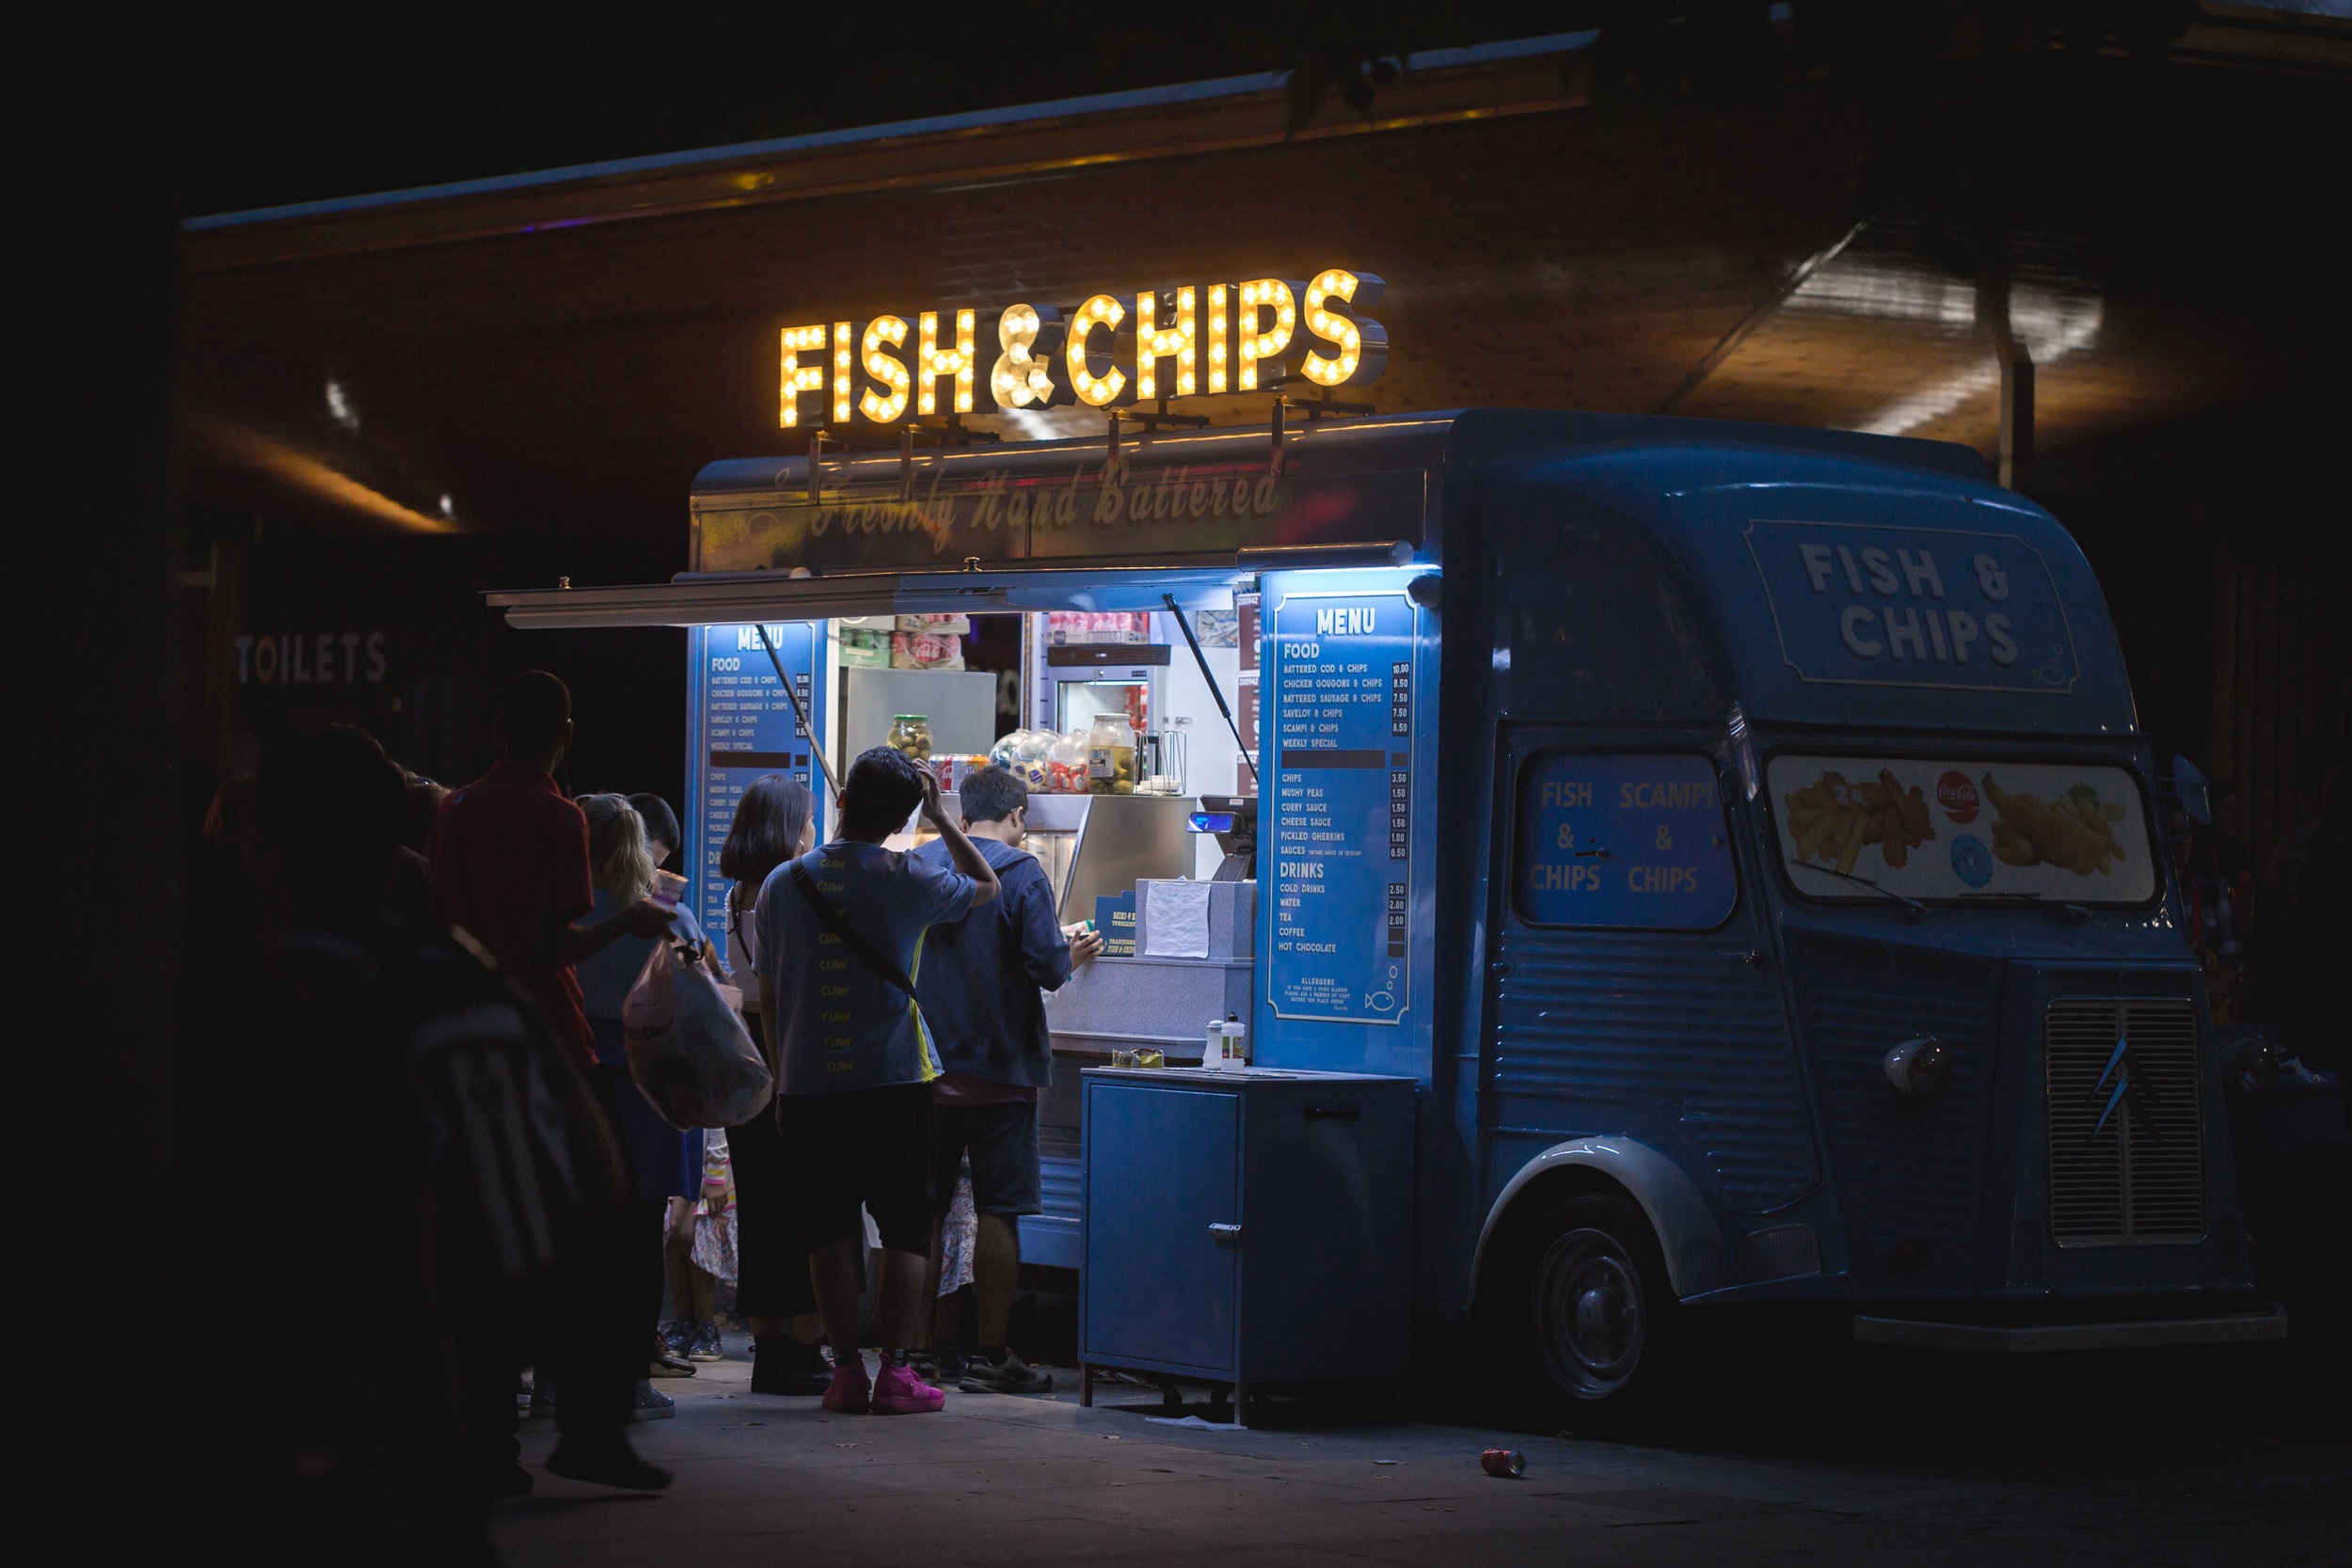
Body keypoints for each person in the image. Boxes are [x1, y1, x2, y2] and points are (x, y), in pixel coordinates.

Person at [427, 671, 677, 1491]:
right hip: (547, 1040)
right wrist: (628, 923)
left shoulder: (456, 810)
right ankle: (590, 1428)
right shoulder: (557, 815)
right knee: (598, 1233)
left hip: (462, 1037)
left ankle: (490, 1441)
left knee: (477, 1243)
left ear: (496, 727)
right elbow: (551, 944)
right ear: (564, 733)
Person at [755, 747, 1000, 1415]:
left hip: (807, 1085)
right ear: (903, 817)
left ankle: (844, 1372)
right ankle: (896, 1371)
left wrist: (782, 1080)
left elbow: (769, 997)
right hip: (894, 1080)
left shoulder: (783, 883)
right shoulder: (909, 876)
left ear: (840, 801)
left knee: (827, 1229)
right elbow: (986, 887)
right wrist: (945, 819)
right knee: (904, 1227)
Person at [914, 767, 1102, 1393]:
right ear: (1019, 815)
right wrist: (1070, 952)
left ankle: (918, 1350)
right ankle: (994, 1354)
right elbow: (1047, 968)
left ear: (964, 817)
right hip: (1003, 1074)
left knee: (926, 1210)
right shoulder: (1024, 874)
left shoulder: (923, 863)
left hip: (928, 1068)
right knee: (999, 1211)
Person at [573, 793, 718, 1416]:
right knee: (639, 1235)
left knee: (577, 1233)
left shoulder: (564, 913)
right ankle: (630, 1375)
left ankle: (562, 1376)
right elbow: (701, 994)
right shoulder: (666, 916)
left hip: (579, 1076)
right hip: (652, 1080)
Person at [717, 774, 834, 1393]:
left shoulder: (739, 894)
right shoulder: (787, 892)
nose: (814, 830)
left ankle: (767, 1349)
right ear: (790, 828)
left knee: (762, 1212)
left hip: (749, 1066)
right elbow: (782, 988)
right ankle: (806, 1348)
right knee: (813, 1209)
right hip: (788, 1058)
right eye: (809, 819)